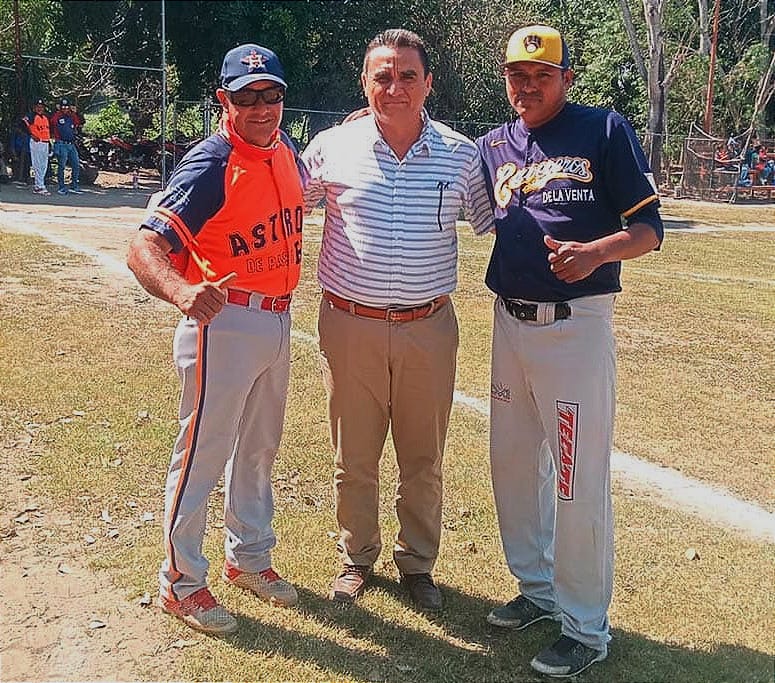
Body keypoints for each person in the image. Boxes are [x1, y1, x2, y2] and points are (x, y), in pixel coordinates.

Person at [475, 25, 663, 678]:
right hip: (509, 321)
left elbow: (648, 227)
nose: (527, 86)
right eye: (516, 75)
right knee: (511, 464)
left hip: (573, 325)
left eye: (541, 74)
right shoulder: (494, 144)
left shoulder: (602, 129)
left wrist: (597, 251)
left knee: (574, 479)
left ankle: (584, 627)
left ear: (565, 79)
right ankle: (537, 589)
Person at [302, 28, 494, 612]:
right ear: (365, 83)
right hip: (349, 322)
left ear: (428, 83)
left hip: (428, 327)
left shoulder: (462, 155)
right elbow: (282, 202)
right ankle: (356, 555)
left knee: (423, 455)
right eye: (382, 76)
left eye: (408, 75)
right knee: (353, 454)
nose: (395, 87)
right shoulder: (331, 147)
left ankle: (417, 563)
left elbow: (502, 224)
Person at [126, 43, 304, 635]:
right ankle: (180, 582)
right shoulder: (210, 162)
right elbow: (144, 245)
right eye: (247, 96)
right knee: (202, 456)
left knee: (258, 451)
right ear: (224, 100)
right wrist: (181, 292)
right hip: (223, 322)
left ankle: (248, 558)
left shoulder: (286, 153)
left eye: (271, 94)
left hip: (278, 318)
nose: (262, 107)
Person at [51, 98, 83, 195]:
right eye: (63, 107)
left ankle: (74, 185)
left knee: (76, 164)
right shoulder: (57, 116)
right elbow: (52, 121)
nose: (65, 108)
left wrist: (74, 112)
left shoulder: (71, 116)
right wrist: (58, 112)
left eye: (66, 107)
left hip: (71, 144)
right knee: (61, 166)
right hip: (61, 144)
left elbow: (79, 122)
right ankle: (61, 187)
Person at [22, 99, 52, 195]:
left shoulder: (45, 117)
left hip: (45, 142)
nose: (40, 109)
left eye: (41, 107)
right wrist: (31, 134)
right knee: (37, 164)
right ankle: (40, 186)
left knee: (44, 165)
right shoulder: (31, 116)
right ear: (34, 108)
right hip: (37, 143)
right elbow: (22, 124)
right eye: (38, 107)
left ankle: (38, 185)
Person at [8, 120, 31, 184]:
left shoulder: (28, 134)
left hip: (27, 151)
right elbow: (12, 145)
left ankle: (26, 178)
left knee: (26, 164)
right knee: (17, 164)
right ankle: (18, 177)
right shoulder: (15, 134)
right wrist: (14, 155)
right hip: (18, 151)